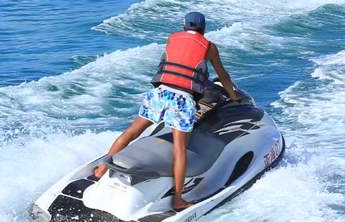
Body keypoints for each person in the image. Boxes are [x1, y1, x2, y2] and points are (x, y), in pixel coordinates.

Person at [93, 11, 239, 211]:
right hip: (182, 100)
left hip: (160, 94)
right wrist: (233, 96)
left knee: (132, 132)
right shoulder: (209, 47)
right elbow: (222, 75)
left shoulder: (172, 38)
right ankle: (178, 199)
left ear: (184, 26)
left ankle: (101, 168)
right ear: (203, 28)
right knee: (180, 150)